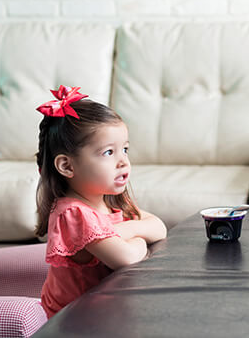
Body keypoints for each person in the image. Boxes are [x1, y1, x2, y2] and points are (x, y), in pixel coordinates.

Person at [34, 85, 167, 318]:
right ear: (67, 166)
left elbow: (159, 228)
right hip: (72, 322)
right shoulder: (71, 213)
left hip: (106, 313)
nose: (123, 161)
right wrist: (137, 237)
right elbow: (126, 258)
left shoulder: (109, 202)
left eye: (125, 149)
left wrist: (118, 231)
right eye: (108, 153)